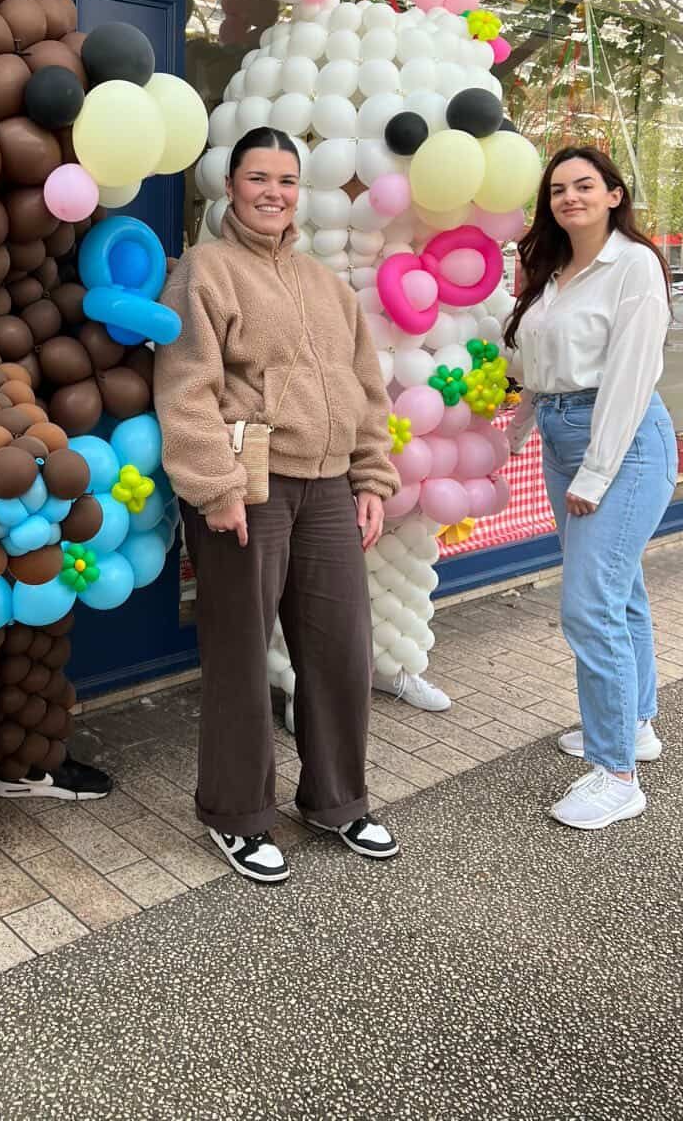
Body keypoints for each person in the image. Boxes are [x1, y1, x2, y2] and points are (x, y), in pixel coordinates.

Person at [155, 126, 401, 883]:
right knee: (239, 652)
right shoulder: (204, 271)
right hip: (246, 486)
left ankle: (337, 798)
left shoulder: (326, 284)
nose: (273, 193)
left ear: (302, 192)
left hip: (327, 486)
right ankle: (238, 815)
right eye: (257, 178)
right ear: (230, 188)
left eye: (287, 181)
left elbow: (365, 389)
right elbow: (185, 387)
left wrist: (371, 476)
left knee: (340, 649)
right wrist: (217, 487)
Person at [505, 146, 676, 831]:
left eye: (584, 185)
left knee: (588, 607)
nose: (569, 197)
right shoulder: (555, 271)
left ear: (613, 193)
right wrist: (513, 435)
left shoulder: (632, 265)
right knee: (620, 591)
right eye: (557, 190)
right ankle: (635, 725)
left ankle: (616, 774)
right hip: (563, 433)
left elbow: (632, 376)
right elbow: (540, 371)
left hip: (624, 443)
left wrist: (599, 472)